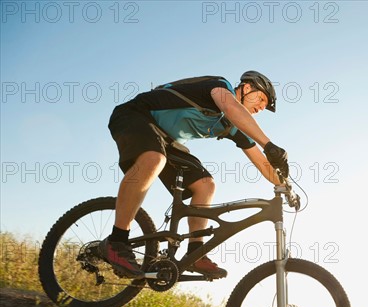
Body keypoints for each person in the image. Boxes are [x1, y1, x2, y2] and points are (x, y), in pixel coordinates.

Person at [99, 71, 289, 280]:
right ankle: (116, 241)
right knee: (154, 159)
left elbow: (261, 161)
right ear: (245, 88)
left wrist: (285, 185)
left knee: (206, 185)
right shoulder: (219, 86)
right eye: (261, 98)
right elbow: (230, 107)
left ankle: (195, 253)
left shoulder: (232, 125)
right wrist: (269, 145)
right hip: (136, 115)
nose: (262, 107)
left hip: (166, 141)